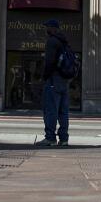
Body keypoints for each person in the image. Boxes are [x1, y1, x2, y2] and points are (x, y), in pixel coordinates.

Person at [35, 19, 70, 147]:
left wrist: (44, 77)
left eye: (47, 27)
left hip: (53, 79)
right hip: (64, 80)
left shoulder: (52, 41)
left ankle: (50, 138)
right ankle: (64, 138)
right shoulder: (64, 42)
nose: (46, 30)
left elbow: (49, 62)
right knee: (63, 111)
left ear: (52, 28)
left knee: (51, 109)